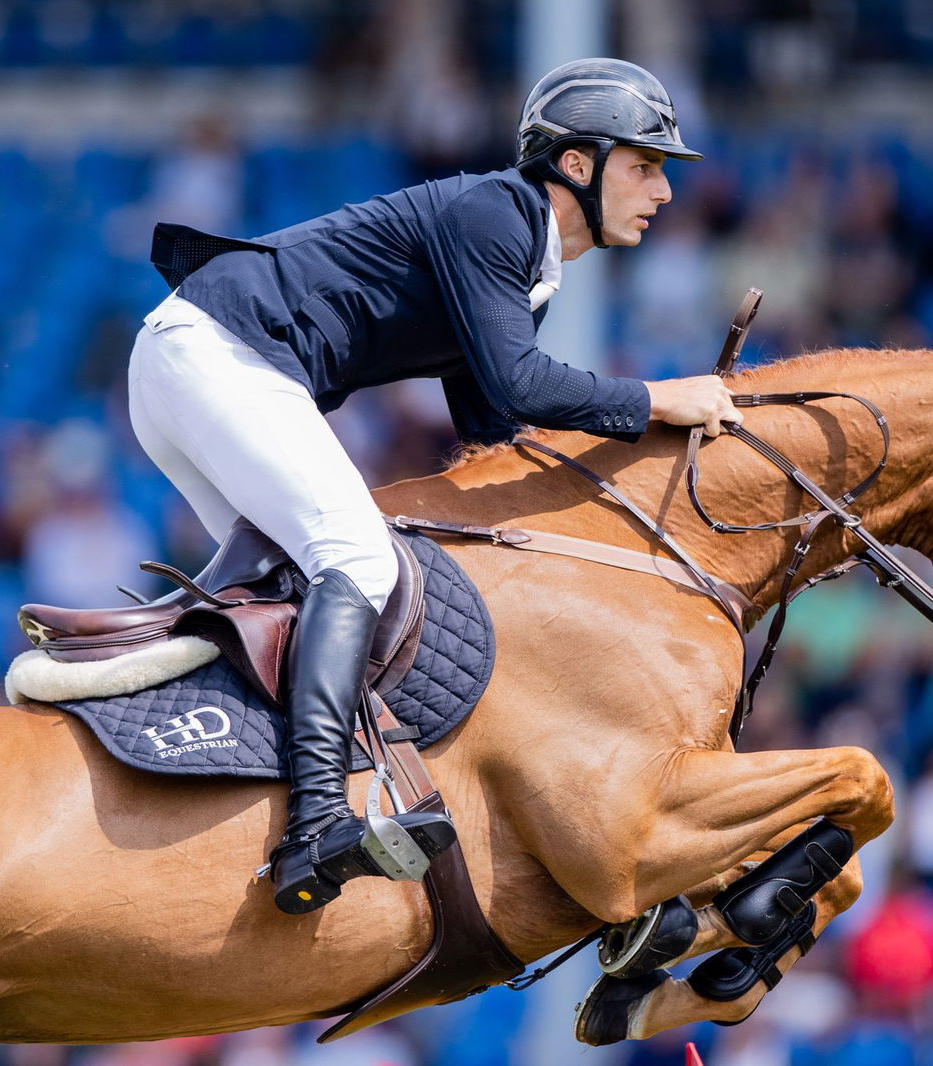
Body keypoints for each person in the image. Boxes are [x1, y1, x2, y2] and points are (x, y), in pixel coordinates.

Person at [131, 58, 738, 914]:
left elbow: (496, 430)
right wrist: (658, 401)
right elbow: (524, 387)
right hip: (219, 354)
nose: (663, 192)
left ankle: (220, 770)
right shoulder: (496, 213)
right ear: (577, 163)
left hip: (193, 360)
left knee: (293, 586)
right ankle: (315, 824)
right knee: (356, 558)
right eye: (644, 166)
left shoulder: (519, 258)